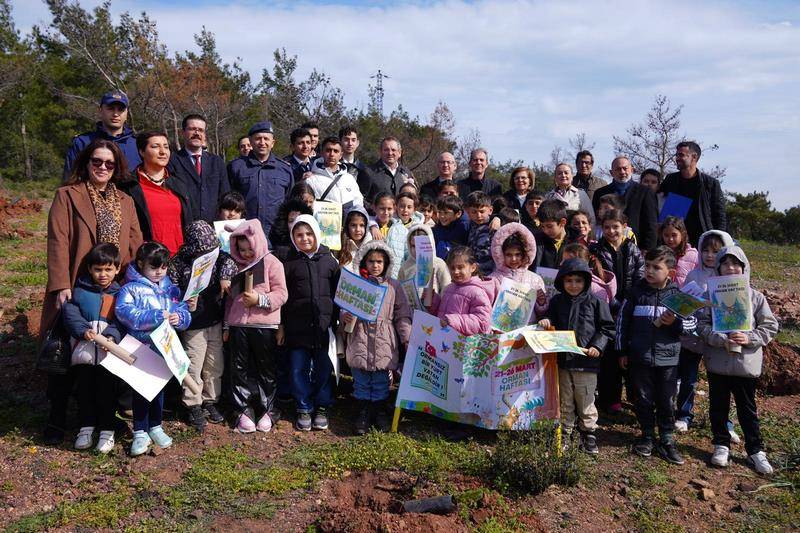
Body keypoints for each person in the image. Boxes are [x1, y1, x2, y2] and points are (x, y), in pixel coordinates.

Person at [41, 139, 143, 445]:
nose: (102, 167)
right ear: (86, 163)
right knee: (66, 352)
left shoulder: (125, 201)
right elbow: (58, 240)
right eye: (96, 162)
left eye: (109, 164)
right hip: (77, 285)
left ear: (116, 168)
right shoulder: (67, 196)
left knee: (108, 353)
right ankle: (57, 417)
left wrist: (137, 285)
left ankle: (109, 421)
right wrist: (60, 284)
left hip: (114, 287)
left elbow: (135, 244)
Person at [697, 246, 778, 473]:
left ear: (743, 268)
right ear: (719, 268)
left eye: (735, 264)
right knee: (718, 407)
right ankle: (721, 444)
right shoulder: (708, 297)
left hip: (746, 365)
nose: (730, 268)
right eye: (725, 263)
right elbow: (701, 325)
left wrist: (749, 337)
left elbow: (770, 326)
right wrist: (719, 338)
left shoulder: (755, 297)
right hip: (718, 363)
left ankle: (755, 451)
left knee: (747, 409)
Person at [116, 242, 192, 456]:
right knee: (141, 390)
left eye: (163, 267)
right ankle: (140, 430)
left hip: (164, 348)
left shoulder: (169, 288)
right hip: (141, 348)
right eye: (154, 267)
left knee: (159, 389)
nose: (159, 272)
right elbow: (125, 313)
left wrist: (181, 318)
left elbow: (182, 308)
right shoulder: (130, 288)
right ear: (140, 264)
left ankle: (156, 425)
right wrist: (157, 317)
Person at [617, 246, 687, 465]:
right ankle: (647, 435)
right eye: (647, 266)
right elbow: (622, 323)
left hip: (668, 359)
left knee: (666, 399)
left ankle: (666, 438)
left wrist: (675, 322)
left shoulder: (678, 297)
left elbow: (691, 326)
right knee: (643, 398)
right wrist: (622, 350)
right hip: (640, 357)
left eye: (656, 267)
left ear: (671, 273)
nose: (649, 271)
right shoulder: (636, 293)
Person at [539, 258, 615, 454]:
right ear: (561, 282)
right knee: (564, 398)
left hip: (586, 362)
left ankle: (588, 432)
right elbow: (550, 318)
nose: (573, 285)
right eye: (569, 281)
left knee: (585, 397)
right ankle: (565, 431)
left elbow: (607, 328)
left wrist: (597, 346)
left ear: (587, 282)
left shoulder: (596, 303)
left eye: (578, 281)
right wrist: (546, 320)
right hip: (563, 361)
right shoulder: (557, 301)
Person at [168, 221, 238, 432]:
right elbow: (170, 292)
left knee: (214, 364)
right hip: (193, 325)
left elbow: (230, 261)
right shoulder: (179, 263)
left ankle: (210, 400)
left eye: (210, 250)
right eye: (203, 251)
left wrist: (225, 277)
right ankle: (192, 403)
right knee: (193, 365)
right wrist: (182, 300)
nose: (207, 254)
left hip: (214, 320)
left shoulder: (219, 257)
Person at [342, 241, 412, 434]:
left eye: (379, 261)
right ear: (364, 262)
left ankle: (379, 411)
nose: (375, 265)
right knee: (361, 379)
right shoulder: (357, 284)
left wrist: (407, 338)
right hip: (360, 337)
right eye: (371, 261)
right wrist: (344, 316)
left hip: (384, 339)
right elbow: (344, 307)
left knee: (381, 379)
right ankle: (363, 413)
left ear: (386, 263)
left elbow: (402, 314)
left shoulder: (393, 286)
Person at [225, 219, 288, 433]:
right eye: (241, 249)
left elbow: (281, 294)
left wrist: (259, 300)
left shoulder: (273, 263)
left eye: (249, 249)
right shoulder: (233, 266)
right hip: (238, 325)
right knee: (239, 369)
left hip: (264, 325)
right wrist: (227, 325)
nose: (245, 254)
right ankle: (242, 409)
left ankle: (267, 409)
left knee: (265, 369)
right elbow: (229, 300)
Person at [61, 243, 124, 453]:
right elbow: (70, 313)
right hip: (84, 354)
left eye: (108, 269)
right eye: (98, 269)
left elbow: (121, 320)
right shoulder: (79, 291)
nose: (103, 274)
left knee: (107, 392)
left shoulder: (120, 294)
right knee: (84, 391)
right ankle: (85, 428)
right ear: (89, 269)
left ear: (117, 268)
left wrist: (111, 336)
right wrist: (82, 330)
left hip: (108, 355)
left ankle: (107, 430)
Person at [280, 215, 340, 431]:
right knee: (298, 369)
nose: (304, 238)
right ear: (292, 237)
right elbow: (283, 299)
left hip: (324, 327)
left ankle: (322, 406)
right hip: (297, 328)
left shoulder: (330, 261)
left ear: (317, 233)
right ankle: (303, 406)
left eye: (308, 234)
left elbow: (338, 294)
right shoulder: (289, 264)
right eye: (299, 234)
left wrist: (338, 321)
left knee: (324, 368)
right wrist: (282, 325)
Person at [675, 230, 735, 434]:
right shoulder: (693, 274)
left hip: (719, 338)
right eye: (705, 250)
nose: (710, 255)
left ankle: (725, 424)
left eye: (715, 251)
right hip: (693, 337)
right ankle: (684, 415)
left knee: (721, 383)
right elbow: (684, 303)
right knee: (689, 378)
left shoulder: (729, 277)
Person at [590, 209, 645, 413]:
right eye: (607, 227)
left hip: (630, 309)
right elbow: (597, 282)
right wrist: (613, 305)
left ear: (624, 226)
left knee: (630, 355)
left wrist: (627, 306)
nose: (612, 231)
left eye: (616, 226)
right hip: (606, 310)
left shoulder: (634, 250)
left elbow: (640, 279)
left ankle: (635, 396)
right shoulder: (596, 251)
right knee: (609, 359)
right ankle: (610, 400)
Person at [118, 131, 193, 256]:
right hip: (148, 260)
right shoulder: (129, 186)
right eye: (155, 146)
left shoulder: (179, 184)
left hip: (180, 259)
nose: (163, 152)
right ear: (142, 152)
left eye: (166, 147)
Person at [228, 121, 294, 237]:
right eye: (258, 138)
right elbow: (227, 202)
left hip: (275, 236)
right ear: (251, 141)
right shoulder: (236, 167)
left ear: (273, 143)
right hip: (244, 235)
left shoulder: (285, 170)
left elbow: (290, 202)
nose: (262, 143)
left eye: (266, 139)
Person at [660, 141, 727, 247]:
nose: (677, 158)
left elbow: (719, 215)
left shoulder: (710, 183)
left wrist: (718, 238)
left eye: (681, 155)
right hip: (675, 240)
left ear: (694, 157)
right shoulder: (670, 180)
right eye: (677, 155)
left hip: (703, 239)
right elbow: (657, 200)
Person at [63, 91, 141, 181]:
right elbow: (70, 180)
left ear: (126, 114)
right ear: (100, 110)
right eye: (110, 108)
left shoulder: (138, 144)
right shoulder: (81, 142)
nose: (115, 114)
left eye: (120, 110)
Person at [167, 114, 231, 223]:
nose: (197, 133)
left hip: (212, 228)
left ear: (204, 135)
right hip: (183, 225)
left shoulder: (217, 162)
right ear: (183, 132)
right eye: (192, 129)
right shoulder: (172, 161)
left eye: (201, 130)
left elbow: (225, 195)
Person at [592, 156, 658, 250]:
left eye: (625, 168)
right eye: (618, 169)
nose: (622, 172)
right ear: (611, 172)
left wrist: (647, 249)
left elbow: (651, 224)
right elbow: (597, 221)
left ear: (632, 169)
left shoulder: (645, 192)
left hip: (636, 247)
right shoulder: (600, 193)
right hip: (605, 247)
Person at [431, 246, 496, 335]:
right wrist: (433, 300)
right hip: (445, 340)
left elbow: (482, 323)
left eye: (460, 267)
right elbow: (441, 313)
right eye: (452, 268)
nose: (456, 272)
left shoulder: (477, 292)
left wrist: (453, 321)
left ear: (473, 268)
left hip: (464, 345)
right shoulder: (448, 288)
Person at [488, 222, 547, 320]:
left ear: (524, 255)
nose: (514, 259)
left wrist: (541, 302)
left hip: (527, 331)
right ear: (501, 255)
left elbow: (541, 313)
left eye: (518, 254)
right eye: (509, 255)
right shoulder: (493, 280)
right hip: (501, 331)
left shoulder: (535, 279)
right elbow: (487, 307)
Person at [306, 136, 364, 210]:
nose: (332, 154)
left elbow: (358, 201)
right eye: (328, 150)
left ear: (341, 155)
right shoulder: (311, 179)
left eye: (336, 151)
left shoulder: (349, 178)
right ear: (322, 153)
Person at [397, 224, 451, 303]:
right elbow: (400, 289)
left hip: (433, 310)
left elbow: (446, 287)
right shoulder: (405, 266)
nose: (416, 250)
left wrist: (441, 305)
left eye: (420, 245)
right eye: (413, 246)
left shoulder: (438, 263)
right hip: (411, 311)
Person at [362, 137, 415, 204]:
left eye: (393, 150)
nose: (390, 153)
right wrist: (375, 210)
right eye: (386, 150)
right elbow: (362, 199)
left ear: (399, 153)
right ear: (380, 152)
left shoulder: (406, 172)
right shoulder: (369, 172)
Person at [385, 192, 424, 278]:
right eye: (402, 206)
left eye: (409, 207)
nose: (405, 210)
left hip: (408, 273)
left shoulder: (419, 229)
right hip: (388, 270)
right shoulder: (390, 223)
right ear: (396, 207)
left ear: (414, 209)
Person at [532, 199, 572, 270]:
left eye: (549, 226)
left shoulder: (574, 242)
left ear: (563, 222)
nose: (545, 231)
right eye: (542, 226)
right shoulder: (536, 241)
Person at [659, 216, 698, 287]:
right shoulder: (660, 255)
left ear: (682, 234)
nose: (670, 239)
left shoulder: (693, 255)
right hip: (665, 295)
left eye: (674, 235)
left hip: (686, 296)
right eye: (666, 235)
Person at [433, 195, 468, 261]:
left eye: (446, 213)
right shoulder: (437, 229)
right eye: (440, 212)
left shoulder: (464, 228)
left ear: (458, 214)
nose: (442, 216)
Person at [338, 206, 373, 272]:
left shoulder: (371, 247)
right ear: (347, 226)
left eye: (361, 225)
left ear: (366, 227)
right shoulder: (340, 245)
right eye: (353, 225)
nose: (357, 229)